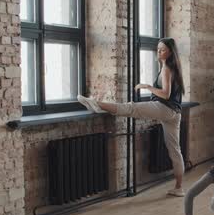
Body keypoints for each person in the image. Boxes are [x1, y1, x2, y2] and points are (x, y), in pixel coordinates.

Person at [77, 37, 186, 197]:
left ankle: (96, 104)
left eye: (162, 49)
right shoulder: (173, 67)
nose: (159, 52)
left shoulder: (167, 68)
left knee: (131, 107)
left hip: (165, 108)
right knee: (175, 150)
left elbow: (165, 93)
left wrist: (147, 87)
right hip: (175, 113)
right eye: (158, 49)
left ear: (170, 52)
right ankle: (179, 188)